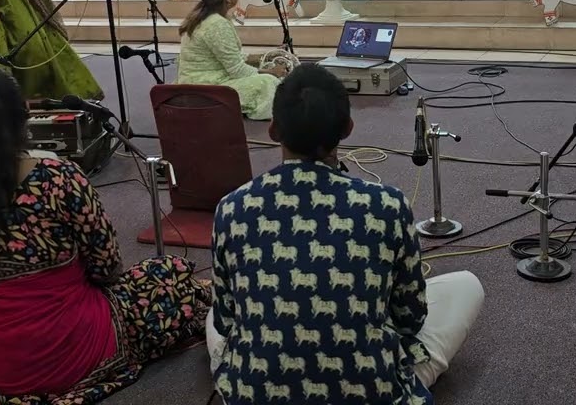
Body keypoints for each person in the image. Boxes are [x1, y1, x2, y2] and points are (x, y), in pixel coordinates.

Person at [0, 68, 211, 405]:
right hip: (51, 352)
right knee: (169, 274)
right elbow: (107, 268)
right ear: (26, 116)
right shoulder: (58, 178)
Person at [207, 64, 485, 405]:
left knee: (215, 314)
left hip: (255, 393)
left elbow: (225, 320)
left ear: (273, 130)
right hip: (371, 392)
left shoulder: (232, 207)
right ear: (348, 128)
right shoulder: (387, 204)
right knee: (467, 285)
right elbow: (410, 319)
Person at [176, 0, 285, 120]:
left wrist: (263, 57)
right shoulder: (216, 24)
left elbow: (231, 57)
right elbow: (238, 71)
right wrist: (272, 72)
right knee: (269, 83)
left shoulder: (205, 17)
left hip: (194, 85)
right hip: (208, 89)